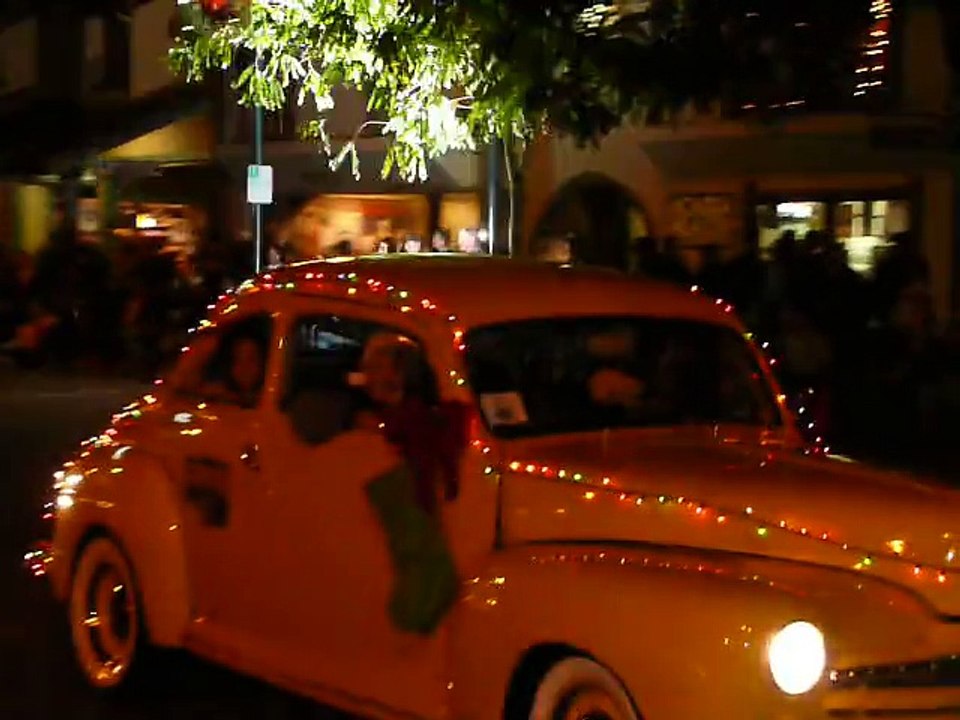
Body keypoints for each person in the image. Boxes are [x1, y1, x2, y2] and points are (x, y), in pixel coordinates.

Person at [354, 333, 466, 516]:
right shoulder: (387, 413)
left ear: (400, 373)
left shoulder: (420, 420)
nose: (367, 375)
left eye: (377, 367)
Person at [203, 334, 266, 408]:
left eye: (251, 359)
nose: (244, 368)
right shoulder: (219, 397)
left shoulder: (273, 400)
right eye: (238, 360)